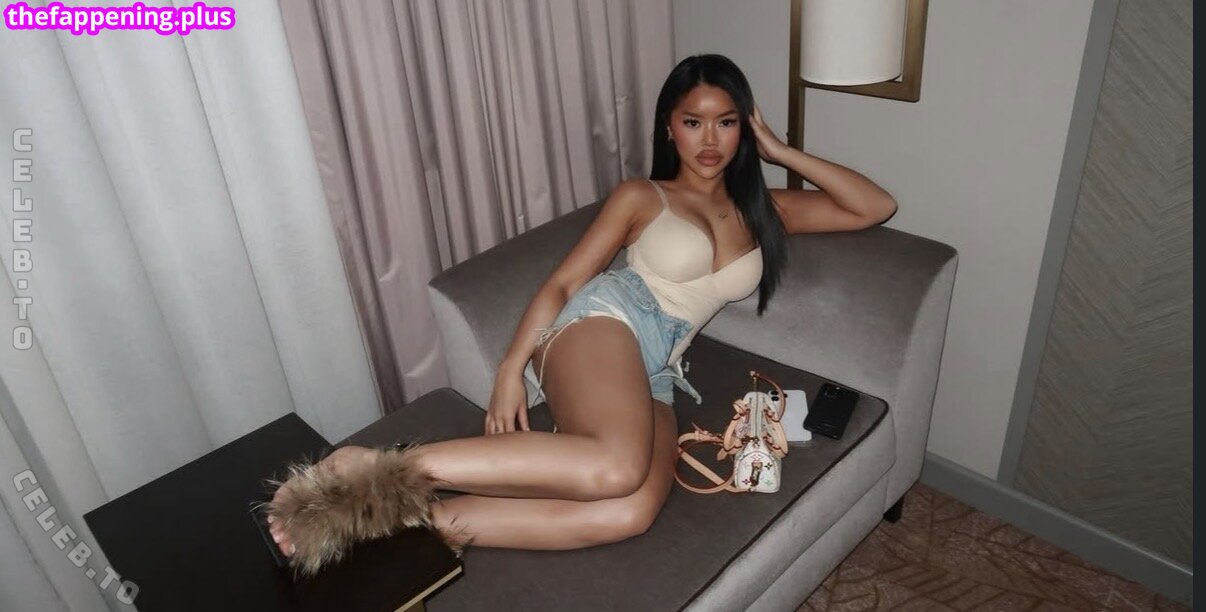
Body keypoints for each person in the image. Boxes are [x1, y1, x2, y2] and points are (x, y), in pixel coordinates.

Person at [265, 53, 895, 575]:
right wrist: (511, 368)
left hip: (659, 367)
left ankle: (411, 530)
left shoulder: (765, 210)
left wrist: (780, 150)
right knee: (616, 466)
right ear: (669, 128)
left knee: (627, 511)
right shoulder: (644, 195)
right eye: (693, 122)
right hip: (607, 322)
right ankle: (377, 468)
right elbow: (566, 280)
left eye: (726, 123)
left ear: (742, 129)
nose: (710, 140)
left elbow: (873, 206)